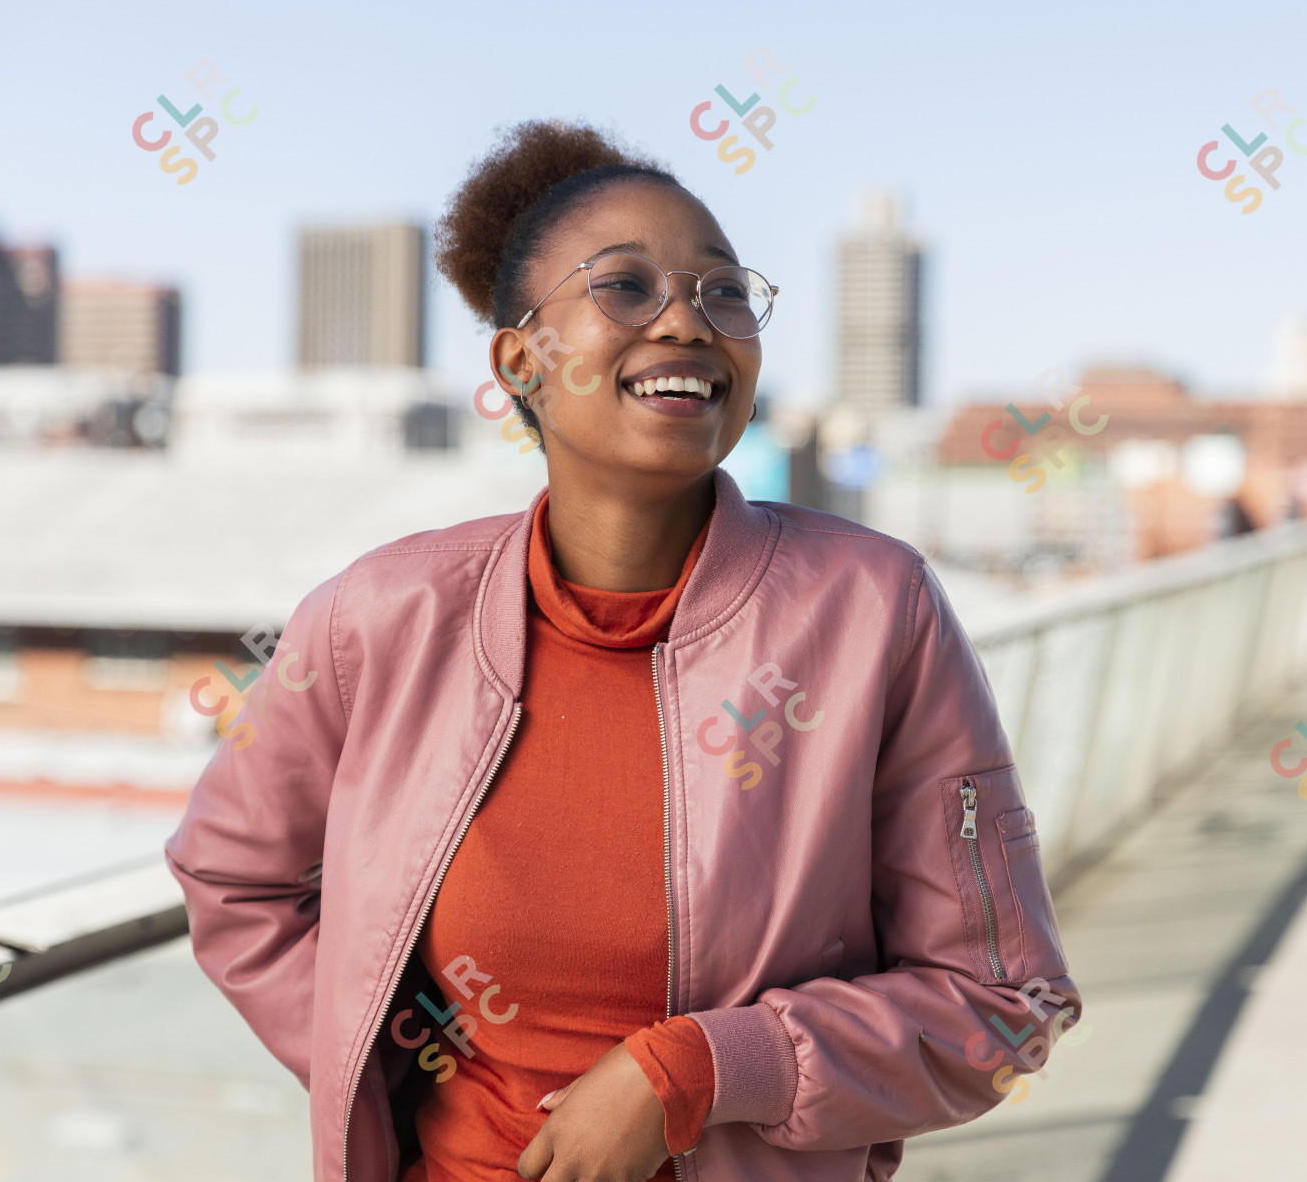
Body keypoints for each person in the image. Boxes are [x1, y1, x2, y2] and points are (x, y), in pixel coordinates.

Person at [166, 120, 1077, 1182]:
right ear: (520, 359)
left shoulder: (875, 608)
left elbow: (1003, 1002)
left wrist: (697, 1070)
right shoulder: (385, 613)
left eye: (723, 292)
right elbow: (231, 873)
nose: (688, 321)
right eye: (627, 288)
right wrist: (386, 1058)